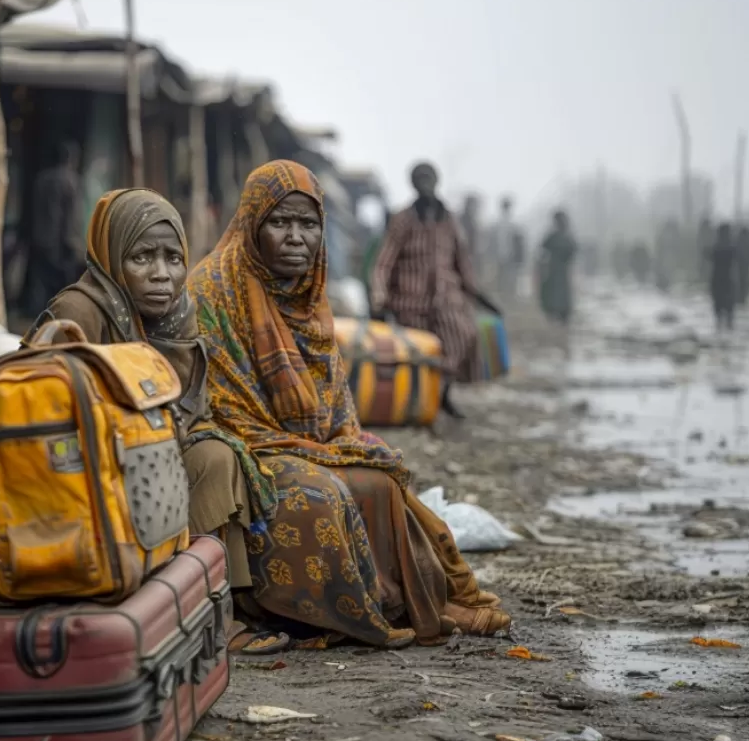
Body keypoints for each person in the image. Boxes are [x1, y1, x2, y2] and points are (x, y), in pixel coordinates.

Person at [188, 160, 509, 650]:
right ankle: (319, 614)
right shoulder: (210, 290)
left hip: (306, 444)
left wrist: (344, 446)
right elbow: (215, 404)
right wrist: (301, 450)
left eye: (308, 224)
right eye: (280, 222)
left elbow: (335, 408)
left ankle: (398, 600)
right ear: (253, 224)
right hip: (246, 448)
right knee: (321, 494)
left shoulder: (310, 296)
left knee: (381, 482)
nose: (296, 237)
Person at [36, 188, 256, 604]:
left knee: (216, 455)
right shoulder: (80, 312)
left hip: (153, 450)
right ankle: (159, 598)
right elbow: (47, 417)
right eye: (142, 258)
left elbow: (192, 411)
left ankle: (212, 603)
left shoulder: (178, 316)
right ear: (111, 255)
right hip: (88, 469)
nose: (162, 274)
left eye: (173, 259)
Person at [369, 161, 496, 418]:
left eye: (429, 179)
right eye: (420, 179)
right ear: (413, 184)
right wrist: (379, 297)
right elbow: (385, 261)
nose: (425, 184)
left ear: (437, 182)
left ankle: (443, 394)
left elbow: (462, 261)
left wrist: (478, 294)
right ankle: (418, 402)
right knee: (417, 353)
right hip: (409, 301)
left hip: (446, 299)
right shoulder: (403, 219)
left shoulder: (448, 219)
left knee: (464, 335)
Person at [21, 141, 86, 318]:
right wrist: (73, 243)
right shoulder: (70, 181)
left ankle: (39, 317)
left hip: (39, 239)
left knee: (40, 284)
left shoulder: (41, 179)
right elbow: (72, 218)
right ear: (70, 159)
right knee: (61, 284)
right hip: (60, 242)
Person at [538, 210, 577, 324]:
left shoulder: (563, 236)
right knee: (555, 292)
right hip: (554, 269)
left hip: (560, 269)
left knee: (560, 293)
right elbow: (543, 250)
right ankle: (557, 314)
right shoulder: (556, 236)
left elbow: (573, 252)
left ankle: (561, 314)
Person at [491, 197, 522, 300]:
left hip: (510, 255)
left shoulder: (513, 224)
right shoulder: (498, 224)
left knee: (510, 276)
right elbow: (494, 241)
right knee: (502, 276)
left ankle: (509, 295)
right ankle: (503, 295)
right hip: (501, 254)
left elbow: (517, 242)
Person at [710, 222, 738, 331]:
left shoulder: (718, 247)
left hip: (720, 278)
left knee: (720, 303)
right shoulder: (730, 247)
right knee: (726, 304)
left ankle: (722, 324)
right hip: (726, 278)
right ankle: (726, 324)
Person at [736, 224, 749, 305]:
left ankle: (741, 298)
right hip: (743, 265)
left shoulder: (739, 240)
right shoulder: (746, 241)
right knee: (743, 281)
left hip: (741, 265)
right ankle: (742, 298)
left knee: (742, 281)